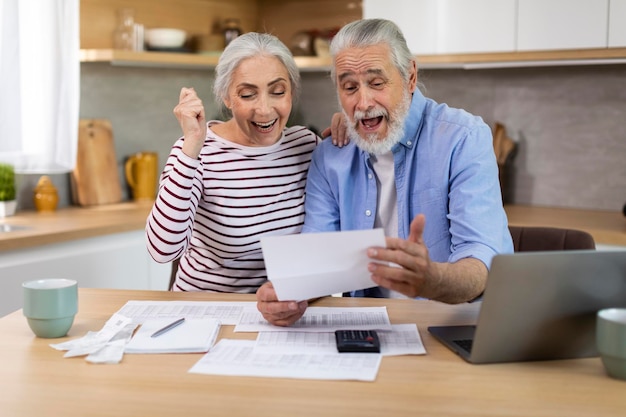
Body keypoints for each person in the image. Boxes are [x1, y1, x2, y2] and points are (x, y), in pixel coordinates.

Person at [256, 18, 514, 326]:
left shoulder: (463, 138)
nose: (363, 102)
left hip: (450, 324)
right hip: (368, 328)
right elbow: (316, 257)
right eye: (349, 87)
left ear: (410, 77)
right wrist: (291, 294)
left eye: (377, 83)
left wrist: (432, 279)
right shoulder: (331, 155)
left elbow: (483, 261)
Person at [146, 32, 347, 293]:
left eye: (277, 91)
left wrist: (353, 131)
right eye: (248, 95)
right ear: (227, 97)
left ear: (291, 92)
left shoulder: (307, 146)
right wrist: (192, 145)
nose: (264, 109)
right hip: (205, 312)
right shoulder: (197, 152)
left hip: (283, 311)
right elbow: (162, 250)